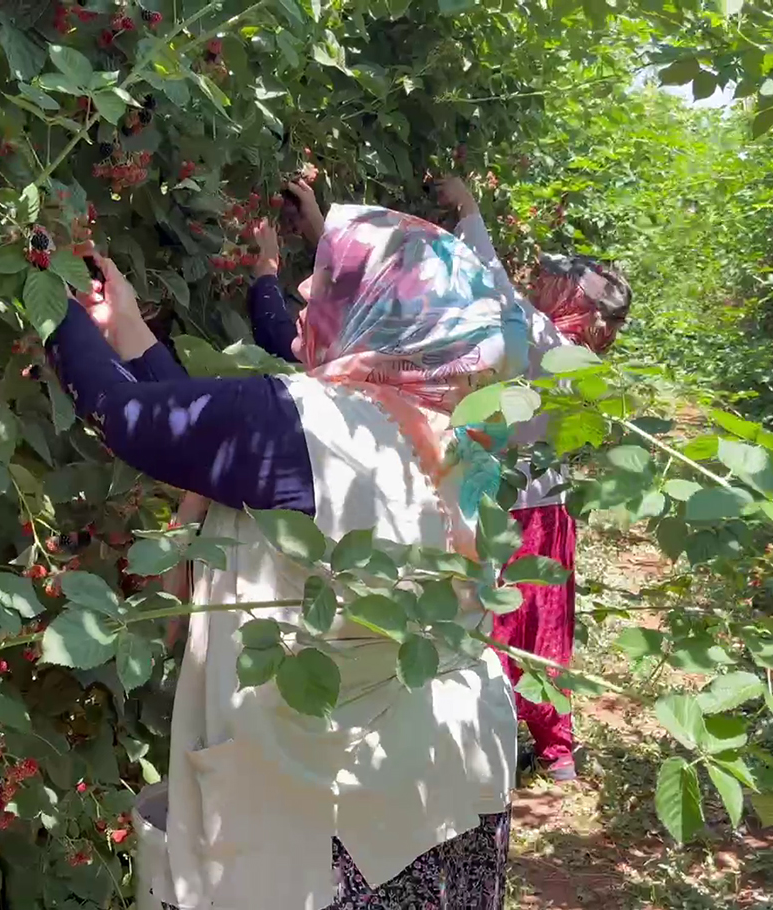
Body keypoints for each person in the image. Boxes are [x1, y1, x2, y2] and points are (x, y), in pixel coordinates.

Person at [46, 194, 528, 909]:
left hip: (340, 827)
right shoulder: (458, 442)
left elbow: (135, 422)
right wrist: (133, 338)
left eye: (332, 280)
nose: (305, 287)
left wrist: (37, 280)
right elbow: (223, 445)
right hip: (441, 781)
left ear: (383, 313)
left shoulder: (315, 423)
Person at [436, 177, 632, 783]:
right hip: (543, 507)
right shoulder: (579, 362)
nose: (542, 285)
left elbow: (492, 284)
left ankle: (504, 742)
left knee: (497, 618)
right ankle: (554, 749)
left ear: (580, 307)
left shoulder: (549, 344)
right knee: (541, 623)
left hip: (512, 506)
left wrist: (467, 207)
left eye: (557, 283)